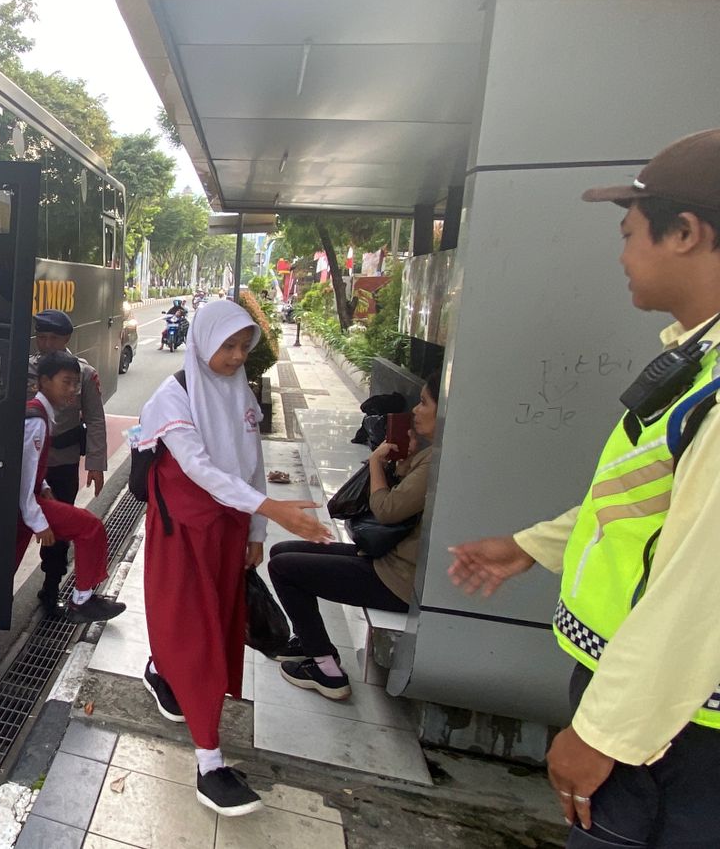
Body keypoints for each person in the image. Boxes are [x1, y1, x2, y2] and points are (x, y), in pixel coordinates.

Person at [448, 129, 720, 848]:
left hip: (676, 736)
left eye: (630, 235)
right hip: (663, 720)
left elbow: (704, 586)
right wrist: (533, 545)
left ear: (685, 232)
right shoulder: (700, 362)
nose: (622, 256)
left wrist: (604, 731)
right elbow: (650, 501)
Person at [134, 299, 332, 816]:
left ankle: (160, 670)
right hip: (185, 535)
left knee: (220, 625)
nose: (237, 356)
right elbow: (200, 469)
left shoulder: (239, 390)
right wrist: (270, 510)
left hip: (228, 530)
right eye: (228, 346)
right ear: (203, 341)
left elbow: (251, 461)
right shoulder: (172, 398)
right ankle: (209, 763)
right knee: (196, 633)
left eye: (244, 346)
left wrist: (257, 529)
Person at [266, 375, 440, 701]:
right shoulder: (433, 455)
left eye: (424, 403)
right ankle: (309, 640)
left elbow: (386, 509)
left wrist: (375, 462)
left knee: (283, 568)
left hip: (397, 579)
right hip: (387, 559)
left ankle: (327, 671)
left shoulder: (436, 463)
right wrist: (401, 459)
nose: (416, 410)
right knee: (280, 551)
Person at [0, 351, 125, 654]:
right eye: (66, 382)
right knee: (90, 527)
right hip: (22, 505)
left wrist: (43, 486)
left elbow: (25, 464)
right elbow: (21, 476)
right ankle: (82, 600)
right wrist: (39, 521)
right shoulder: (37, 421)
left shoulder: (39, 413)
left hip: (19, 504)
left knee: (4, 566)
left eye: (75, 384)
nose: (72, 390)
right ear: (44, 381)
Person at [25, 309, 110, 614]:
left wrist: (96, 463)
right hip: (29, 463)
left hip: (62, 461)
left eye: (53, 338)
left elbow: (95, 418)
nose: (46, 344)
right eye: (41, 337)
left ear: (67, 339)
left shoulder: (82, 374)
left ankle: (51, 586)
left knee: (60, 530)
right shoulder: (25, 369)